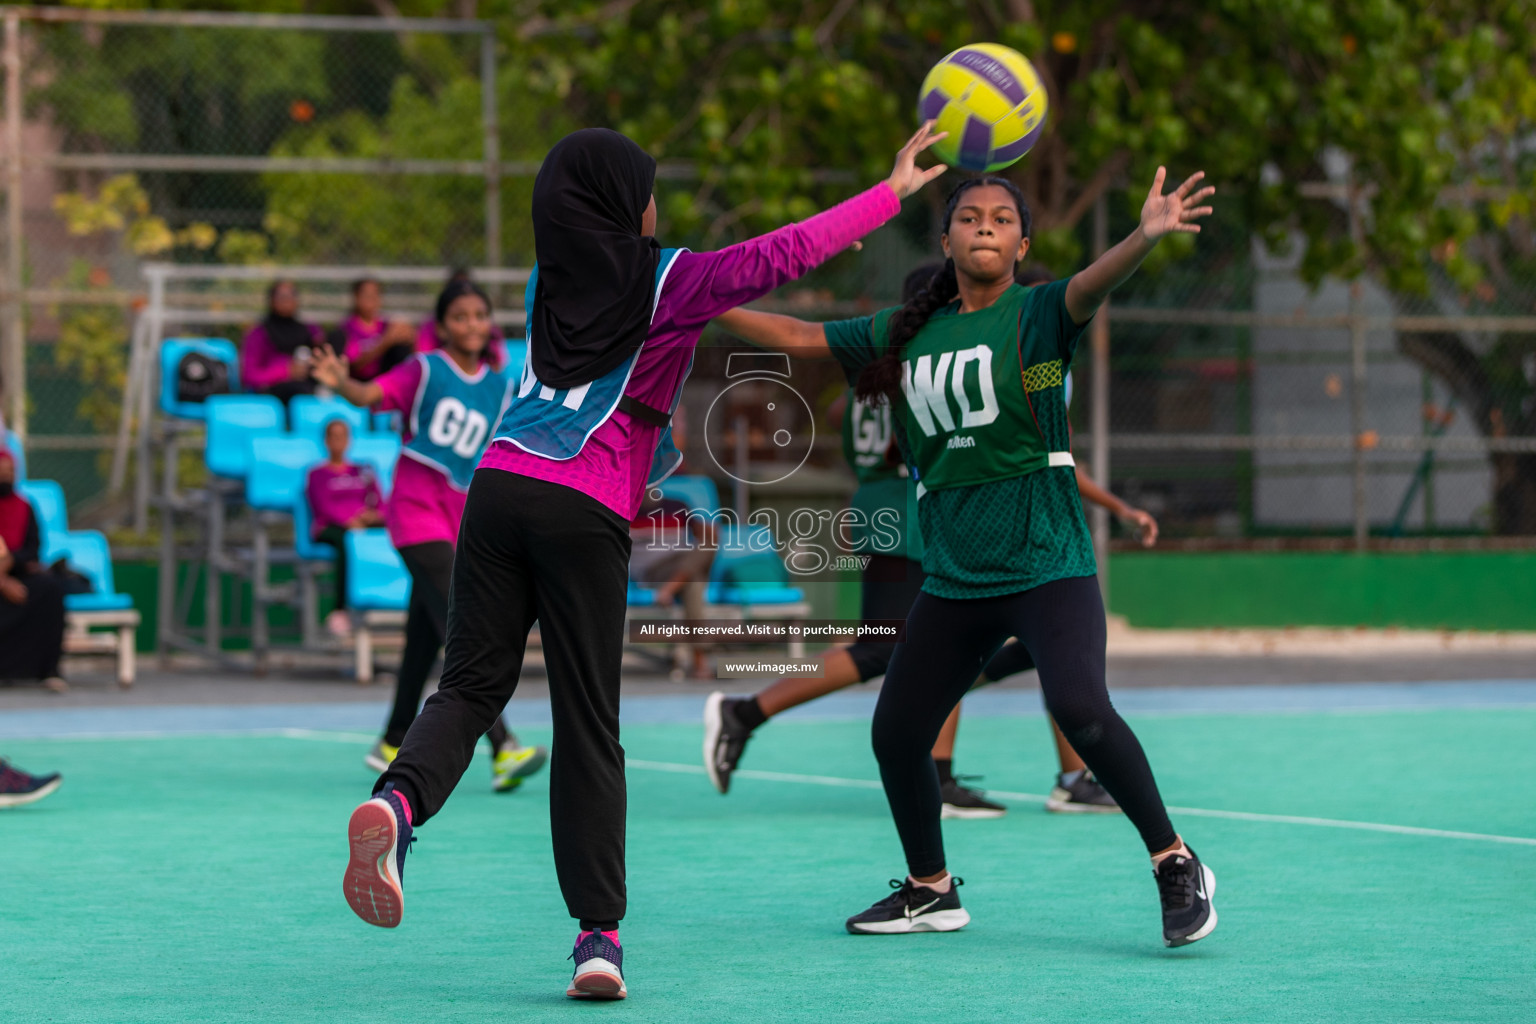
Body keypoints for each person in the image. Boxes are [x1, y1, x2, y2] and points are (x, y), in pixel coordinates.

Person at [337, 123, 949, 1001]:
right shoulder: (674, 278)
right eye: (646, 186)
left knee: (470, 687)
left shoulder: (553, 277)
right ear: (625, 205)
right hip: (579, 505)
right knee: (588, 720)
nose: (655, 199)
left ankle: (396, 806)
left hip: (497, 488)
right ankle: (597, 938)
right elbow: (784, 253)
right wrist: (890, 192)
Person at [712, 168, 1219, 947]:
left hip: (1046, 561)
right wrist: (696, 303)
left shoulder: (1040, 315)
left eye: (1002, 218)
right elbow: (796, 336)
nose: (986, 226)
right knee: (895, 733)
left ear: (1022, 242)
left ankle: (1175, 860)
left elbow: (1093, 281)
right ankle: (930, 889)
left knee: (1080, 707)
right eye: (970, 218)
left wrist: (1144, 236)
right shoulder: (906, 331)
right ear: (945, 241)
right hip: (955, 578)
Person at [704, 264, 1161, 819]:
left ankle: (1008, 769)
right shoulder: (946, 366)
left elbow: (841, 412)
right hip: (922, 512)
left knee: (917, 643)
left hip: (879, 506)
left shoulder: (870, 373)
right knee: (891, 646)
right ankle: (757, 713)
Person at [309, 280, 548, 793]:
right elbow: (371, 395)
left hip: (459, 517)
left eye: (479, 315)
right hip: (416, 512)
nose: (471, 325)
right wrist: (341, 379)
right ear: (442, 326)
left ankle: (394, 738)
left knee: (424, 631)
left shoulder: (500, 387)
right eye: (459, 316)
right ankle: (503, 745)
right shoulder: (424, 369)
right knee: (459, 621)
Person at [304, 418, 386, 637]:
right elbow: (322, 506)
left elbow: (379, 501)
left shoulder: (363, 471)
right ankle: (340, 609)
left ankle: (389, 596)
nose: (339, 441)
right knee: (347, 542)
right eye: (334, 436)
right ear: (326, 440)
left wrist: (371, 517)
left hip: (363, 526)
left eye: (343, 436)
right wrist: (351, 521)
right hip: (331, 529)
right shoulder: (316, 474)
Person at [629, 487, 716, 679]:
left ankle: (671, 587)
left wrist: (710, 529)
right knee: (694, 580)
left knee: (703, 555)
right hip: (652, 571)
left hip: (679, 561)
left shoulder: (677, 505)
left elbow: (708, 535)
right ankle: (700, 659)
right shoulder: (624, 506)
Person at [0, 451, 68, 691]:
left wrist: (9, 567)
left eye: (10, 471)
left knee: (50, 590)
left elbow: (32, 549)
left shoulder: (24, 507)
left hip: (15, 573)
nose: (6, 475)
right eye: (2, 470)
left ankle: (49, 671)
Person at [241, 279, 326, 404]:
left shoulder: (310, 331)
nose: (286, 300)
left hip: (309, 387)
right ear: (271, 300)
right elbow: (249, 376)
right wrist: (287, 371)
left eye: (291, 295)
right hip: (274, 392)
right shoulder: (258, 334)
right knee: (297, 392)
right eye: (281, 296)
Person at [335, 278, 417, 382]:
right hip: (360, 384)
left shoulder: (386, 325)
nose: (372, 300)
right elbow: (355, 363)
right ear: (356, 297)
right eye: (367, 295)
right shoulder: (347, 328)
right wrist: (386, 341)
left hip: (386, 381)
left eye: (375, 295)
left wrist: (408, 336)